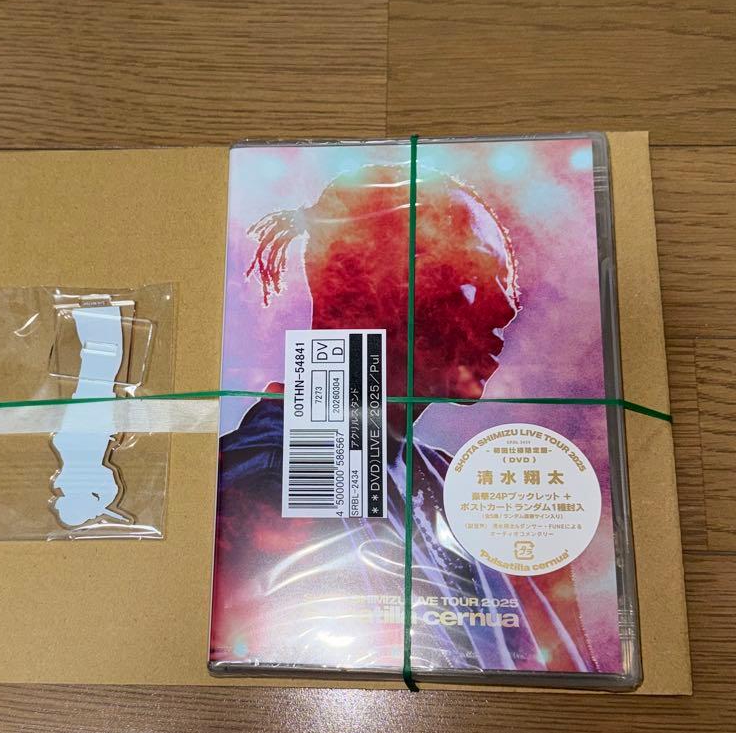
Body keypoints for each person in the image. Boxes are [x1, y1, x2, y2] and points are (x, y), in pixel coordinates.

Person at [212, 163, 597, 676]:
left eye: (506, 283)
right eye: (476, 271)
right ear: (375, 284)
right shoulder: (262, 484)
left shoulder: (459, 489)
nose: (507, 307)